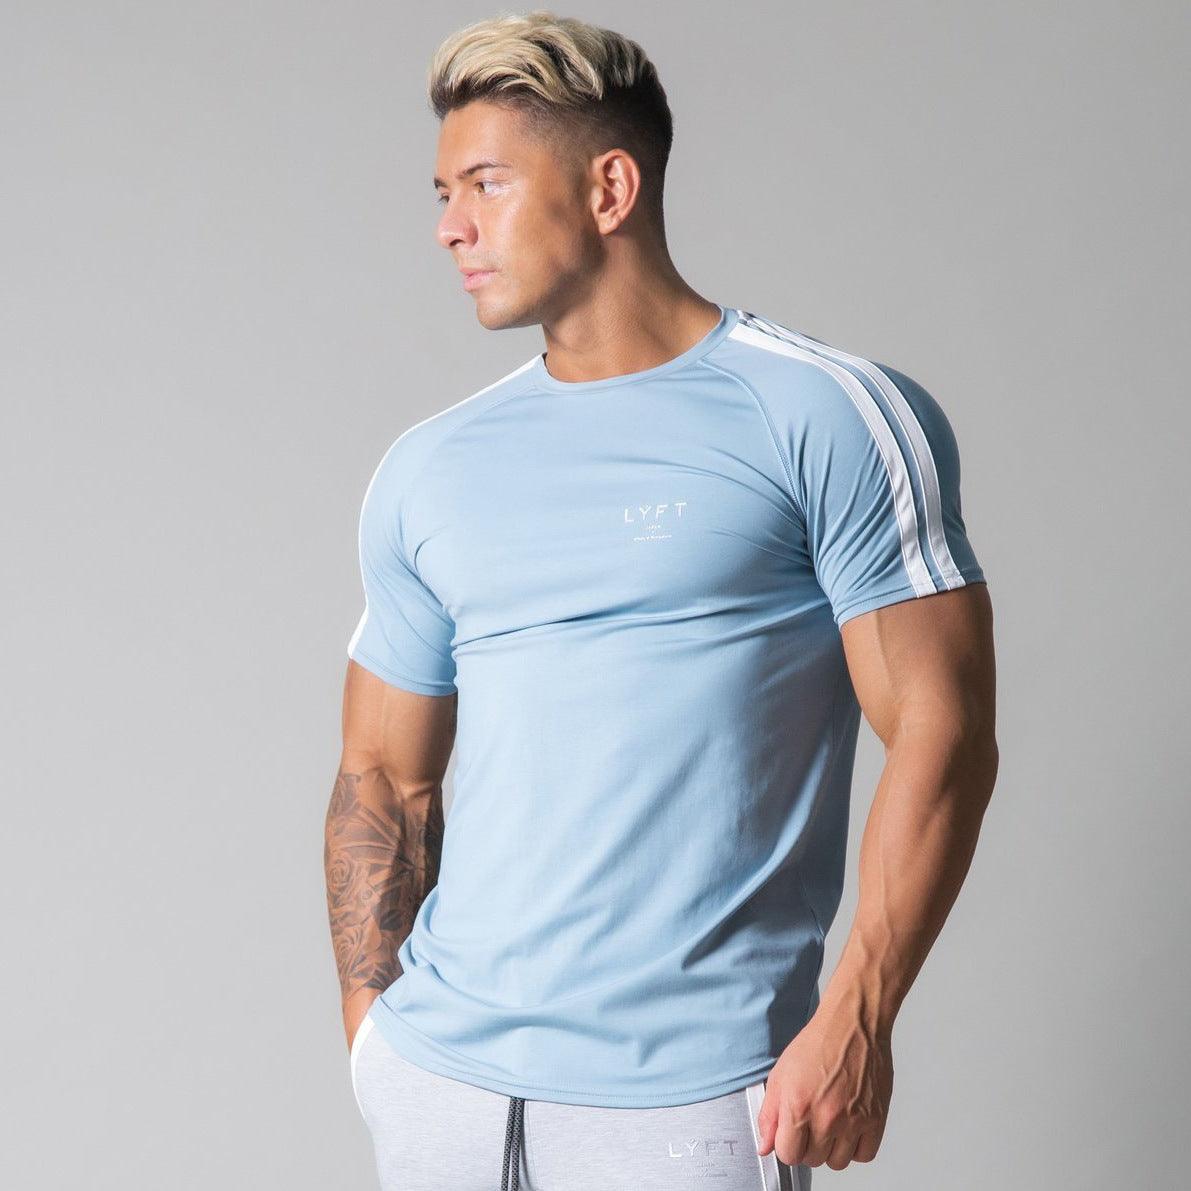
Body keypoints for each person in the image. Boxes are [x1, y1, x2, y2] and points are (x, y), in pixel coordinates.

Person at [324, 11, 999, 1191]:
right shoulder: (431, 466)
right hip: (440, 1093)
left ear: (610, 188)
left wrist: (858, 1013)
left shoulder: (824, 414)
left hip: (690, 1102)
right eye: (442, 192)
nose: (449, 226)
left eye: (485, 184)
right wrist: (374, 1045)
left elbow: (944, 729)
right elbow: (383, 771)